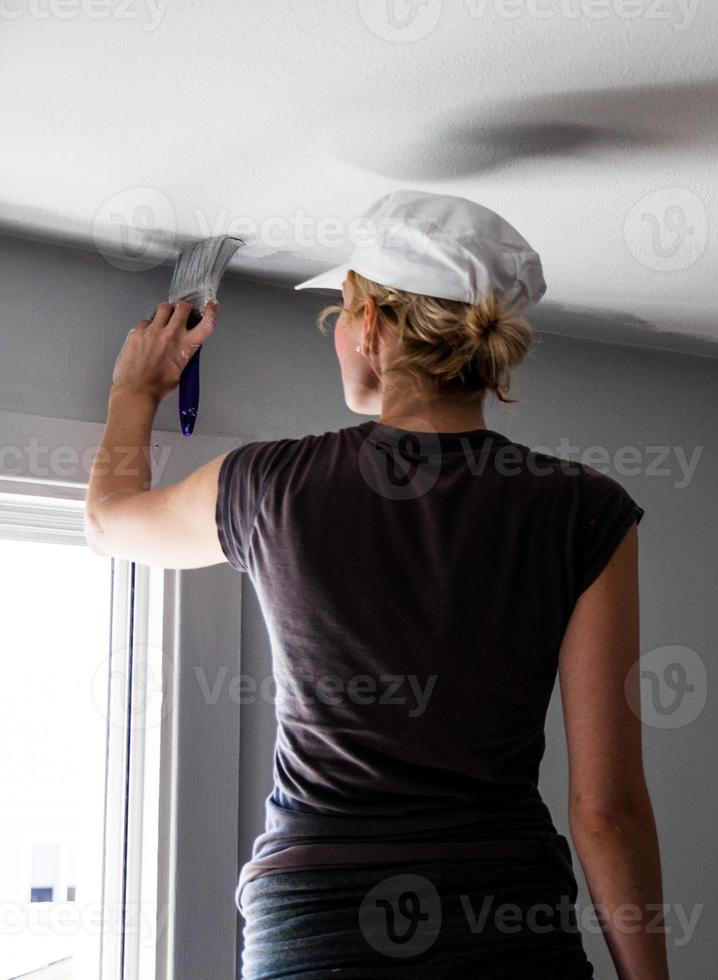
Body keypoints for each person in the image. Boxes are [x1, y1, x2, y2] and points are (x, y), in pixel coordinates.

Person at [85, 191, 669, 978]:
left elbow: (110, 522)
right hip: (504, 915)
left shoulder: (270, 485)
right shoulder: (585, 509)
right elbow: (607, 813)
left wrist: (133, 395)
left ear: (369, 326)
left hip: (317, 922)